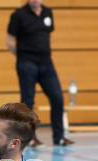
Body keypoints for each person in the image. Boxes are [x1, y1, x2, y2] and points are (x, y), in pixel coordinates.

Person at [7, 0, 74, 147]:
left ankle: (59, 137)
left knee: (57, 97)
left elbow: (45, 35)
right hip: (27, 63)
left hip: (46, 64)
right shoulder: (18, 15)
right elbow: (10, 42)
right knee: (27, 102)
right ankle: (29, 138)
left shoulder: (48, 12)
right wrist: (22, 57)